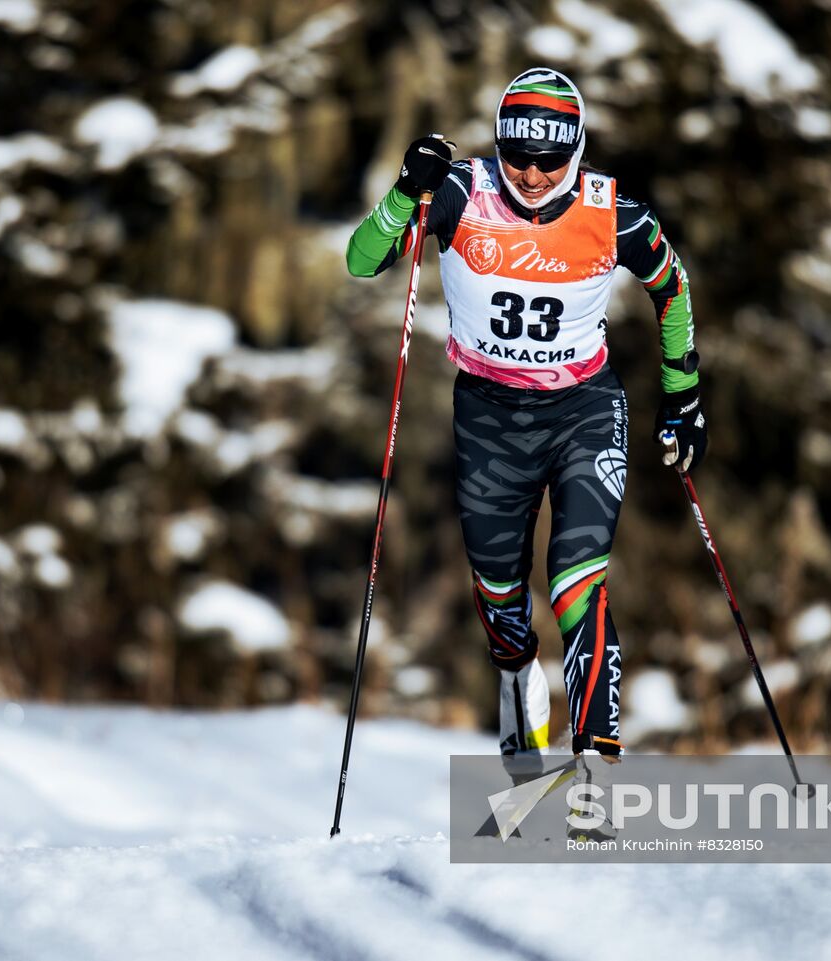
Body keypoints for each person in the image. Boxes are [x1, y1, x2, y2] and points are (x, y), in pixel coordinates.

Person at [345, 67, 704, 759]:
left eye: (551, 158)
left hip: (583, 410)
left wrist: (682, 392)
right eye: (519, 156)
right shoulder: (460, 192)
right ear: (500, 143)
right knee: (503, 605)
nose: (534, 175)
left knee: (576, 579)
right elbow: (364, 261)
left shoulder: (612, 211)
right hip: (487, 415)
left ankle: (597, 761)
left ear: (576, 147)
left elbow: (672, 285)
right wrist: (403, 190)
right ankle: (519, 703)